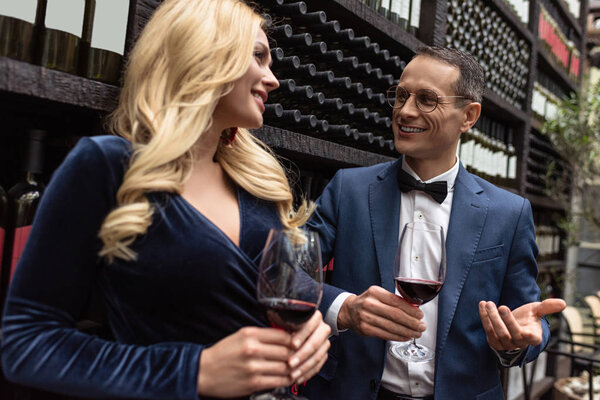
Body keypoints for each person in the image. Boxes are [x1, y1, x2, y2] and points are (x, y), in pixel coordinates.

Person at [0, 0, 331, 398]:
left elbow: (274, 300)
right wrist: (194, 370)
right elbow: (26, 342)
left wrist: (312, 330)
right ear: (205, 52)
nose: (273, 79)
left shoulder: (261, 185)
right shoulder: (108, 166)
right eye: (258, 57)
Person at [301, 46, 566, 400]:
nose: (405, 111)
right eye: (401, 95)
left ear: (469, 116)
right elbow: (285, 277)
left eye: (427, 100)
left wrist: (515, 343)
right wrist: (345, 309)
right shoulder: (347, 189)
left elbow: (528, 318)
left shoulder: (510, 213)